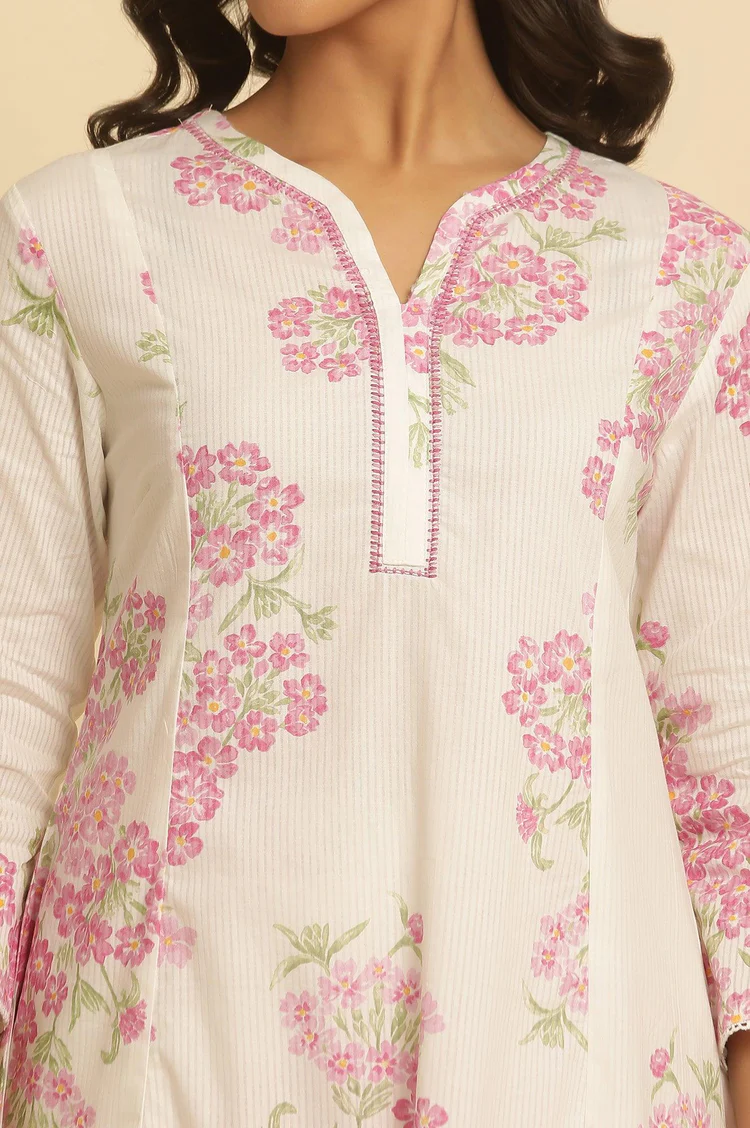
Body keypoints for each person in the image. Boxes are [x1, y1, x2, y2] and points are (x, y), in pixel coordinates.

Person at [1, 0, 749, 1124]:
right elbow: (11, 699)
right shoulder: (81, 233)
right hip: (163, 1066)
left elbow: (728, 739)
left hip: (568, 1077)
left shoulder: (683, 272)